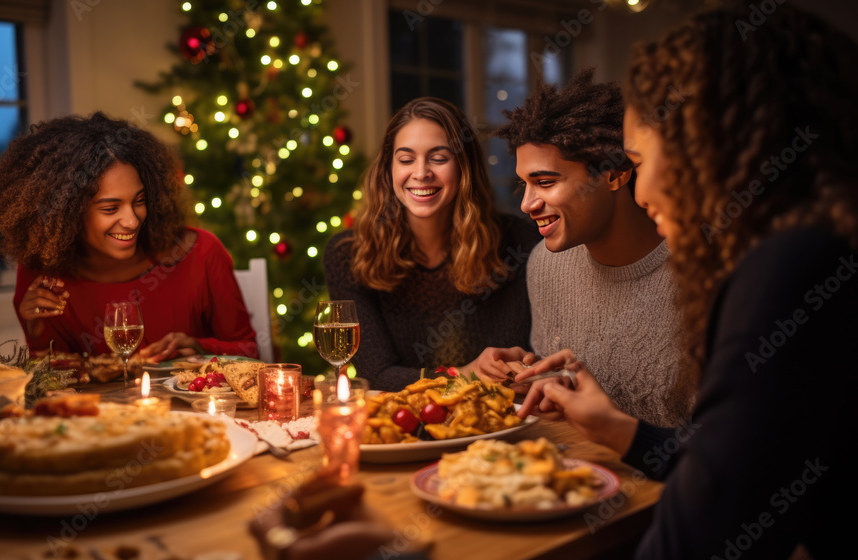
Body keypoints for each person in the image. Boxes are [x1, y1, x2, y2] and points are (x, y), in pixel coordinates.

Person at [517, 4, 858, 558]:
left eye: (640, 160)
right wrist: (621, 430)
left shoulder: (784, 272)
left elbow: (699, 532)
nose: (642, 189)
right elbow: (733, 470)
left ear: (707, 145)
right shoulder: (822, 248)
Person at [466, 69, 691, 428]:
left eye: (545, 182)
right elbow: (567, 406)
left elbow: (725, 444)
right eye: (524, 183)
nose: (527, 204)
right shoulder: (546, 266)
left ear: (615, 174)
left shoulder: (698, 274)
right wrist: (529, 378)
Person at [0, 112, 258, 362]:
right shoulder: (43, 277)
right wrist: (35, 329)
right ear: (68, 213)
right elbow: (54, 384)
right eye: (111, 208)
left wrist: (200, 347)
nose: (132, 220)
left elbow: (251, 352)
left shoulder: (202, 254)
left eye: (139, 200)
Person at [323, 97, 541, 391]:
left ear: (464, 166)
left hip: (504, 423)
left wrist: (523, 367)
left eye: (439, 158)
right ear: (388, 168)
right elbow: (376, 375)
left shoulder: (521, 242)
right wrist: (465, 374)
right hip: (403, 427)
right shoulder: (349, 255)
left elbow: (537, 357)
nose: (421, 172)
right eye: (406, 159)